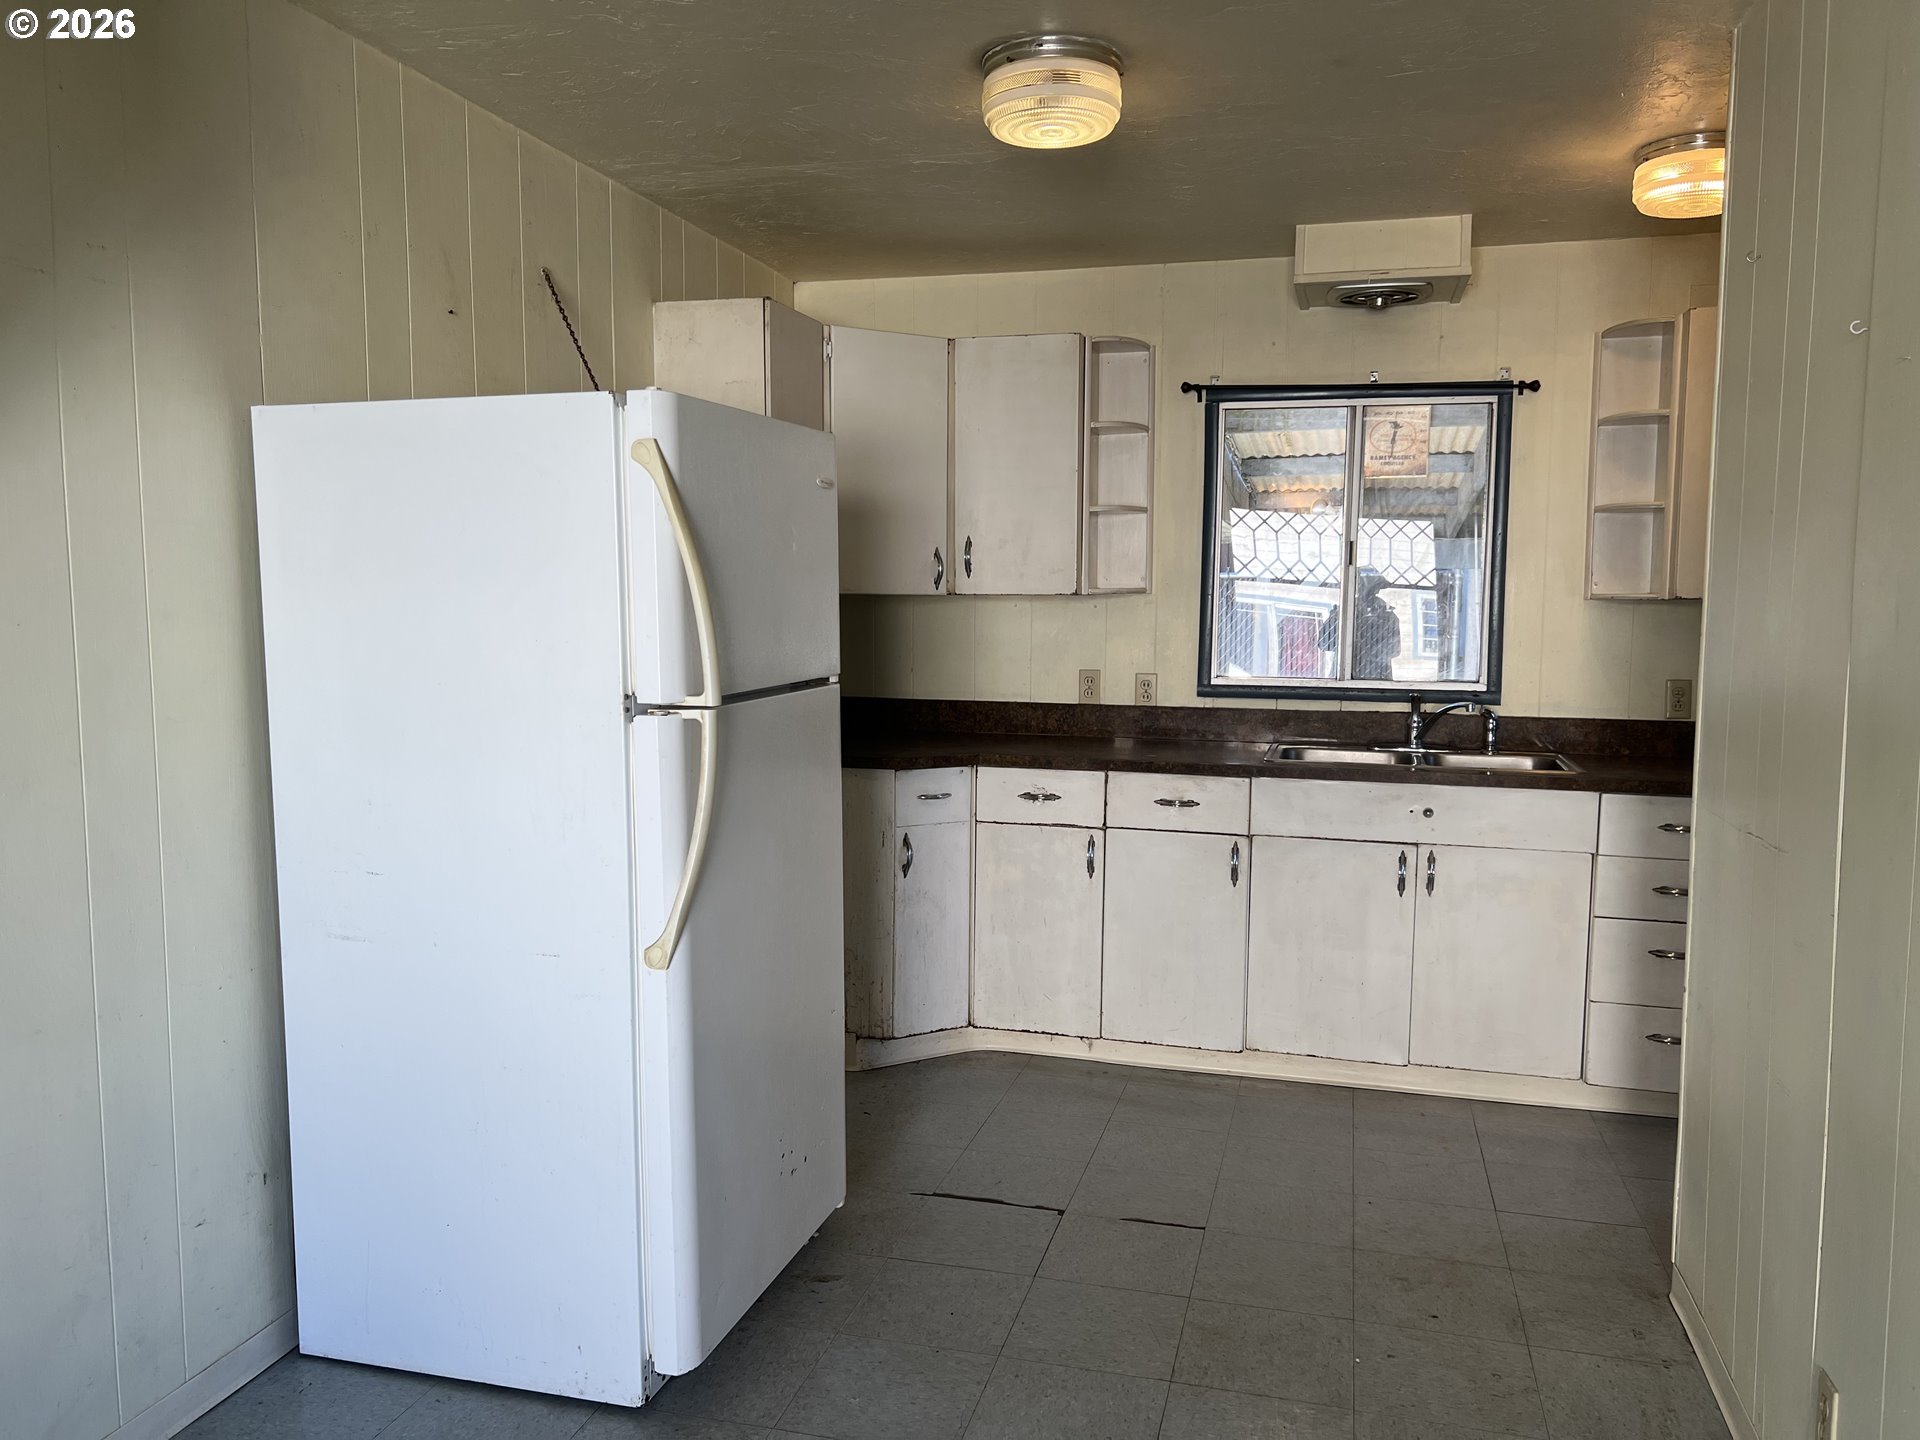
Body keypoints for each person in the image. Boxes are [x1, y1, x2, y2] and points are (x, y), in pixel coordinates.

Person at [1319, 568, 1401, 680]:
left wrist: (1368, 637)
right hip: (1343, 675)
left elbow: (1394, 650)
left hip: (1376, 676)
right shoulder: (1343, 611)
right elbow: (1324, 643)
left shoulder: (1386, 615)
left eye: (1374, 588)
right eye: (1359, 585)